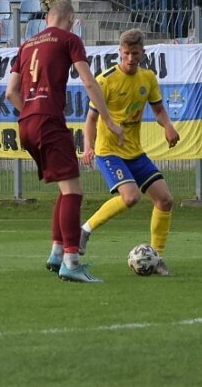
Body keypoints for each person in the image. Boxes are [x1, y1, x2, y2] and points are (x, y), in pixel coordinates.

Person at [5, 0, 125, 283]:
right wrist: (108, 120)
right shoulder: (70, 39)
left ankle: (57, 252)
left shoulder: (26, 45)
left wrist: (31, 114)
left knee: (65, 187)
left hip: (26, 123)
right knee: (74, 191)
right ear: (70, 18)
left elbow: (10, 92)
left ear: (48, 17)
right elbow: (89, 82)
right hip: (49, 120)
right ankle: (71, 261)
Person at [79, 28, 180, 276]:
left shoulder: (148, 78)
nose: (130, 58)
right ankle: (85, 230)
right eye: (126, 53)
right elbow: (90, 119)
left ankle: (156, 258)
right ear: (119, 52)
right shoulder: (106, 80)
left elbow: (158, 110)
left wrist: (168, 126)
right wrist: (88, 146)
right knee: (131, 197)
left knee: (165, 199)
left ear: (143, 53)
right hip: (109, 151)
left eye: (135, 53)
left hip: (135, 152)